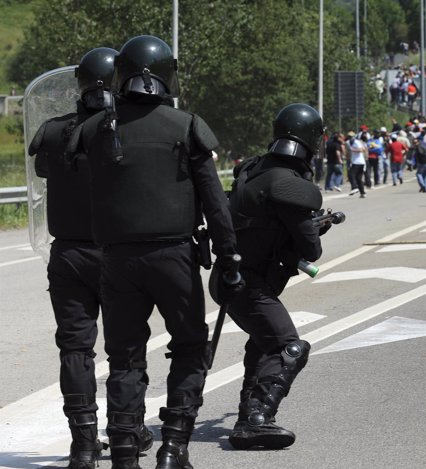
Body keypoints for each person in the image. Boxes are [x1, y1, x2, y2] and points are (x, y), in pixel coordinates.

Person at [74, 35, 241, 469]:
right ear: (165, 75)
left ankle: (125, 454)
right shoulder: (185, 125)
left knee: (125, 358)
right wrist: (229, 257)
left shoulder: (94, 129)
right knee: (189, 348)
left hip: (117, 260)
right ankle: (174, 446)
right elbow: (214, 202)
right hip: (173, 257)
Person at [28, 47, 152, 469]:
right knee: (126, 350)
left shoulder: (52, 131)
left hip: (67, 254)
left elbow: (44, 170)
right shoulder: (125, 131)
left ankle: (83, 445)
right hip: (118, 254)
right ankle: (127, 433)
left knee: (75, 351)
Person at [225, 103, 326, 450]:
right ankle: (257, 419)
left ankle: (245, 418)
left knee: (263, 342)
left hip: (232, 277)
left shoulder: (252, 169)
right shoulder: (290, 184)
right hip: (249, 284)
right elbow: (310, 250)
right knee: (288, 347)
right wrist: (310, 228)